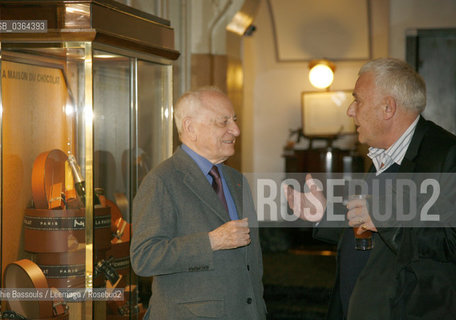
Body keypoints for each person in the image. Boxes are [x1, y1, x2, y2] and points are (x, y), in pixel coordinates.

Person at [285, 58, 456, 319]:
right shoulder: (384, 154)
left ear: (388, 108)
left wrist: (385, 219)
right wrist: (325, 214)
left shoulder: (446, 154)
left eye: (358, 100)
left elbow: (450, 240)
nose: (350, 111)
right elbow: (369, 225)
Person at [130, 87, 266, 319]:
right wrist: (211, 242)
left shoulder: (236, 180)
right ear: (190, 128)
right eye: (223, 122)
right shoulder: (161, 181)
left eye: (234, 120)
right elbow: (144, 258)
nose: (236, 130)